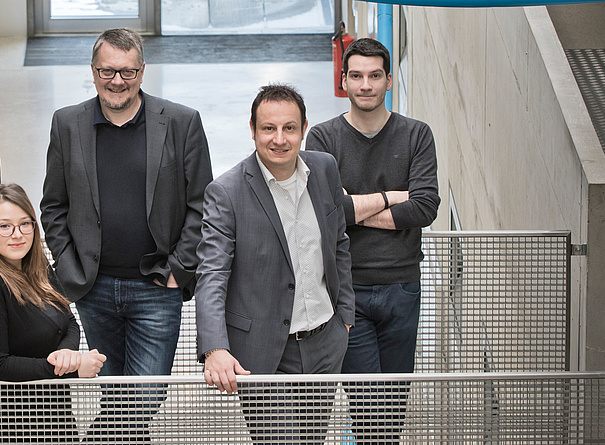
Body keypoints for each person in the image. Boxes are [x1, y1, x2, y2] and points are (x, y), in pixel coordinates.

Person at [40, 27, 212, 442]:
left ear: (142, 70)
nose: (117, 81)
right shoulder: (67, 124)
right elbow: (53, 206)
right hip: (93, 287)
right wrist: (68, 266)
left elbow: (201, 205)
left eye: (127, 72)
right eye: (107, 71)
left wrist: (178, 270)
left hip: (156, 285)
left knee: (145, 394)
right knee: (116, 392)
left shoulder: (181, 123)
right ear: (94, 70)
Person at [195, 84, 355, 445]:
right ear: (252, 129)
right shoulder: (227, 192)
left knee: (312, 439)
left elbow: (339, 242)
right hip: (265, 352)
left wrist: (344, 315)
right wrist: (214, 347)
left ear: (304, 129)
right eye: (269, 128)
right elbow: (212, 274)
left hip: (325, 341)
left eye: (289, 128)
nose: (279, 139)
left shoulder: (324, 169)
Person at [305, 38, 440, 443]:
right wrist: (390, 197)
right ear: (343, 80)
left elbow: (425, 208)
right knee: (367, 406)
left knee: (394, 406)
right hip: (349, 290)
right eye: (357, 76)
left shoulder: (416, 135)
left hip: (403, 287)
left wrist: (354, 209)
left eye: (375, 76)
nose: (366, 85)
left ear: (389, 81)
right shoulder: (324, 140)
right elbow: (328, 215)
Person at [0, 183, 107, 442]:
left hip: (54, 418)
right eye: (5, 226)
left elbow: (69, 321)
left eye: (25, 224)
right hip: (8, 426)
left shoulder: (40, 269)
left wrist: (66, 354)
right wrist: (71, 370)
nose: (17, 234)